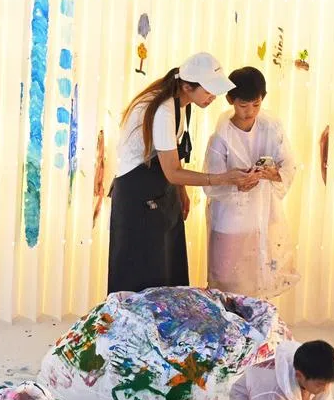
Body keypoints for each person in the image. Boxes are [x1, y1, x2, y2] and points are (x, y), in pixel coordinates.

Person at [108, 52, 257, 293]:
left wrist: (181, 191)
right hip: (138, 198)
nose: (213, 96)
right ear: (188, 86)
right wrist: (224, 178)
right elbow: (172, 171)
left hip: (160, 192)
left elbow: (173, 159)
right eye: (208, 90)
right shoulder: (163, 110)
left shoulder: (182, 103)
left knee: (168, 271)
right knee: (141, 279)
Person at [203, 66, 298, 299]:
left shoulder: (271, 128)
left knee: (257, 284)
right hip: (229, 221)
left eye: (256, 104)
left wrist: (272, 173)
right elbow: (211, 183)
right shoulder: (220, 138)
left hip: (262, 215)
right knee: (226, 285)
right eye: (243, 105)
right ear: (230, 100)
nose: (250, 112)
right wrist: (237, 184)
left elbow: (289, 166)